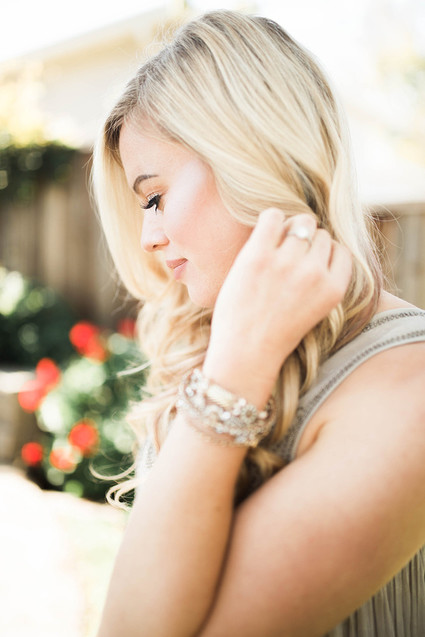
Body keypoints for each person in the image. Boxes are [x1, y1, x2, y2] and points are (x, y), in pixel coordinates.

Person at [92, 10, 425, 637]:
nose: (147, 238)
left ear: (249, 157)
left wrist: (234, 373)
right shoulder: (211, 338)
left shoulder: (411, 391)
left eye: (154, 197)